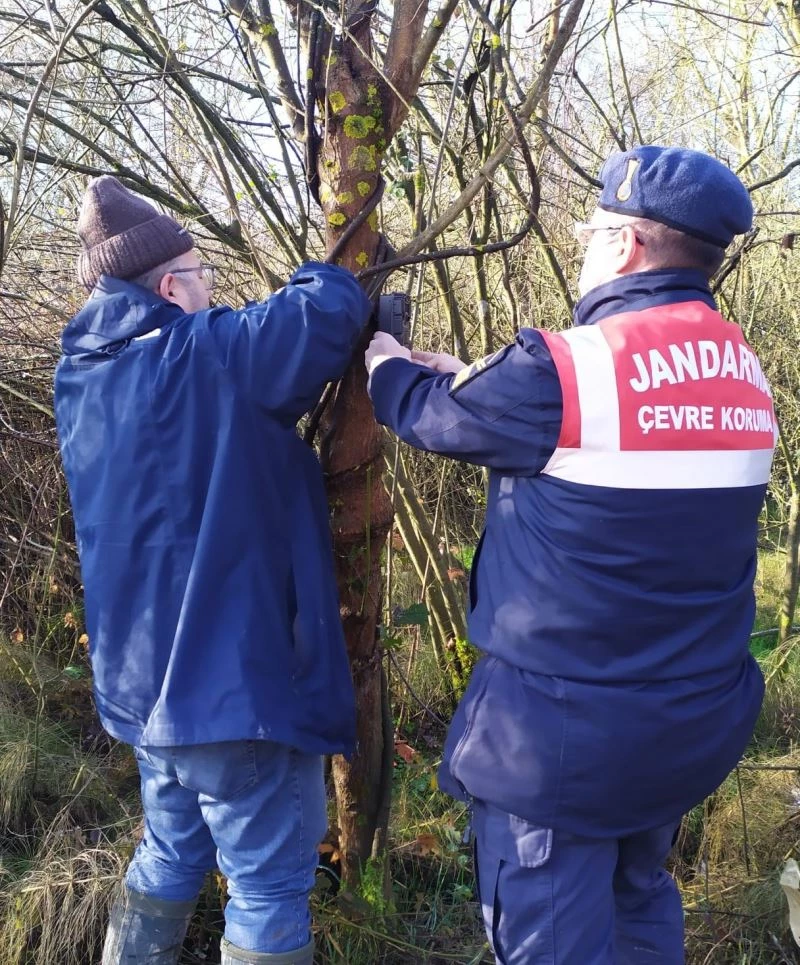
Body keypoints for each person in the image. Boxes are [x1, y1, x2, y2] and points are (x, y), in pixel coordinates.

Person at [364, 146, 776, 964]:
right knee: (639, 899)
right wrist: (474, 378)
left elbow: (432, 416)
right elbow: (593, 445)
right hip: (687, 725)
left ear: (625, 245)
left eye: (593, 232)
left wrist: (383, 363)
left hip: (561, 747)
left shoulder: (570, 367)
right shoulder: (746, 373)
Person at [54, 176, 372, 965]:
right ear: (168, 285)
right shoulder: (209, 358)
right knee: (266, 888)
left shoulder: (81, 380)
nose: (212, 294)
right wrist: (324, 269)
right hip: (234, 694)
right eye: (203, 277)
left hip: (145, 691)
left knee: (169, 851)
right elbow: (326, 310)